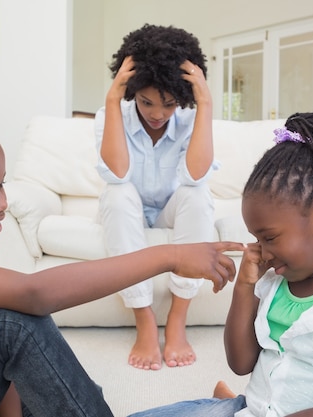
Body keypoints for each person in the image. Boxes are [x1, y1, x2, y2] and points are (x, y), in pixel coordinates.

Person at [0, 115, 244, 417]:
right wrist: (169, 256)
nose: (1, 201)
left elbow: (3, 363)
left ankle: (228, 410)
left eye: (2, 185)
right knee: (15, 320)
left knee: (74, 395)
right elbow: (32, 297)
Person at [127, 111, 313, 417]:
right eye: (257, 238)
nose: (261, 252)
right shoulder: (274, 282)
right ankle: (229, 402)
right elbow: (241, 363)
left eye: (269, 238)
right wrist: (245, 287)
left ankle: (226, 402)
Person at [94, 24, 216, 371]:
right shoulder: (111, 115)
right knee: (117, 194)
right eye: (146, 101)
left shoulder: (192, 116)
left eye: (169, 104)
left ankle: (177, 319)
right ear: (132, 90)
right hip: (126, 210)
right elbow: (117, 175)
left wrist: (204, 102)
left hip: (169, 211)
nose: (158, 113)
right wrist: (112, 99)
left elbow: (195, 176)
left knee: (197, 194)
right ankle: (145, 321)